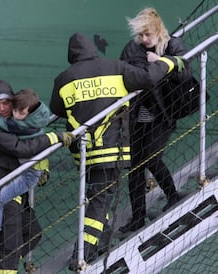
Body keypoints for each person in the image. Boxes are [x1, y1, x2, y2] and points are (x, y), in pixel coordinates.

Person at [49, 32, 182, 269]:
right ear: (92, 49)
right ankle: (82, 252)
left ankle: (102, 243)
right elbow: (148, 77)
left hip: (84, 153)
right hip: (113, 149)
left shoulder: (63, 79)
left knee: (101, 198)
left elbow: (57, 108)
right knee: (101, 202)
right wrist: (170, 61)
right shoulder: (115, 67)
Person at [0, 80, 75, 273]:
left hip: (15, 190)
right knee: (11, 246)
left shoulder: (11, 123)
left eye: (6, 103)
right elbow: (20, 148)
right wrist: (53, 138)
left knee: (32, 234)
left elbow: (30, 140)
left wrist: (43, 166)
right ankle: (2, 265)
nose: (2, 108)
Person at [118, 7, 191, 233]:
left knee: (151, 157)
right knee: (134, 166)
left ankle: (172, 195)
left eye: (147, 34)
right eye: (140, 35)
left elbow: (186, 73)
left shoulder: (173, 45)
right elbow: (123, 73)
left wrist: (160, 61)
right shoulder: (132, 48)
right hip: (138, 114)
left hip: (163, 112)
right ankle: (137, 217)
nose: (143, 39)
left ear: (158, 31)